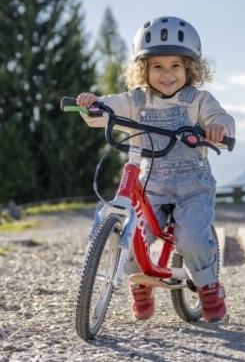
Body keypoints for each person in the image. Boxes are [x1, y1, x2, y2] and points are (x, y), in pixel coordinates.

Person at [75, 16, 235, 322]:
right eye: (157, 66)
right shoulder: (137, 99)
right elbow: (108, 109)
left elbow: (221, 118)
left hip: (193, 186)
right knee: (136, 232)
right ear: (143, 69)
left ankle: (209, 287)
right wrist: (94, 104)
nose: (166, 74)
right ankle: (140, 285)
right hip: (152, 185)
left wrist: (216, 128)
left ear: (189, 68)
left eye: (175, 66)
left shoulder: (198, 100)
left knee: (191, 240)